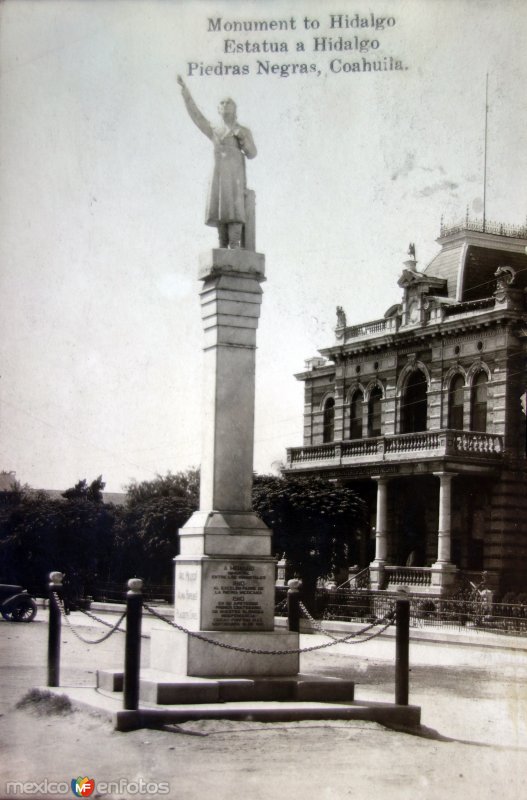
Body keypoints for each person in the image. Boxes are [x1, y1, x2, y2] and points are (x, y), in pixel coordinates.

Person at [177, 75, 257, 248]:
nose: (225, 105)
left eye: (228, 103)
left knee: (236, 209)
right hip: (219, 175)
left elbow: (252, 153)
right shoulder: (214, 129)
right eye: (221, 103)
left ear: (235, 109)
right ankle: (222, 244)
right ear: (218, 110)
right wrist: (185, 93)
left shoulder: (243, 130)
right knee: (220, 207)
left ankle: (234, 244)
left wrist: (244, 140)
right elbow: (196, 116)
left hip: (235, 176)